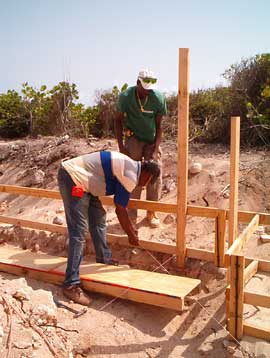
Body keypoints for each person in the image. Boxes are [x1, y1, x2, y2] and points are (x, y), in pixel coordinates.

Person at [57, 150, 160, 306]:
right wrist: (131, 234)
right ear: (147, 174)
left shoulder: (130, 165)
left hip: (84, 184)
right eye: (148, 181)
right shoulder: (130, 175)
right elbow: (120, 209)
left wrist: (131, 231)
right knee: (78, 231)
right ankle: (70, 284)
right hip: (73, 179)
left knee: (98, 218)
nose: (145, 185)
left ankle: (103, 260)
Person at [114, 69, 167, 228]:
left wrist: (156, 147)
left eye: (149, 89)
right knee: (132, 174)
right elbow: (117, 121)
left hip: (151, 140)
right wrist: (121, 146)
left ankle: (152, 212)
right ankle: (132, 213)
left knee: (155, 172)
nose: (147, 92)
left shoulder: (158, 98)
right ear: (137, 83)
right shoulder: (125, 97)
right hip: (133, 138)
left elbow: (159, 125)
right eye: (144, 88)